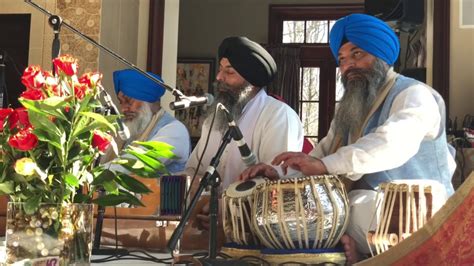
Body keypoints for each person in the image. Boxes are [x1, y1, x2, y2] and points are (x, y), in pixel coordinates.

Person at [239, 14, 455, 264]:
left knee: (348, 208)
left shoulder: (414, 94)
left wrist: (325, 166)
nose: (347, 65)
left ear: (381, 56)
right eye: (341, 59)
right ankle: (359, 252)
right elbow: (322, 154)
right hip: (369, 219)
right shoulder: (352, 107)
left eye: (357, 55)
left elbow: (391, 144)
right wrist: (279, 173)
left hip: (422, 221)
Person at [184, 36, 304, 230]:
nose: (218, 77)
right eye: (221, 70)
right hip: (205, 226)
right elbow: (194, 169)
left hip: (254, 230)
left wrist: (227, 209)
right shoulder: (215, 117)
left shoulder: (279, 116)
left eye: (229, 71)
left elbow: (274, 180)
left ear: (252, 80)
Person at [103, 69, 191, 174]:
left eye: (129, 101)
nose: (123, 109)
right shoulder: (130, 129)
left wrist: (93, 176)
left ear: (147, 99)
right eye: (121, 102)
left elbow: (136, 163)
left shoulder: (175, 131)